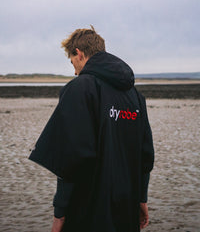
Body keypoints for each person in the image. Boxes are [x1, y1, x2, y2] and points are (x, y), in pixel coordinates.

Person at [29, 26, 154, 232]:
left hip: (88, 210)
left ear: (78, 53)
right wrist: (141, 198)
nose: (75, 71)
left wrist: (60, 213)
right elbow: (145, 154)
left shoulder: (80, 89)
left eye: (72, 63)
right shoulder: (134, 95)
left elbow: (71, 157)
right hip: (127, 207)